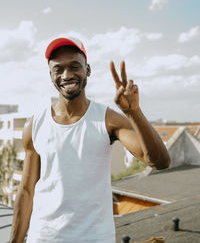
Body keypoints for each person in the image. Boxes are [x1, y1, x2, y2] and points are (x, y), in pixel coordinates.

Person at [10, 37, 170, 243]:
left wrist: (134, 112)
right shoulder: (35, 125)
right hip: (43, 237)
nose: (67, 75)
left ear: (88, 70)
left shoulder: (107, 120)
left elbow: (159, 162)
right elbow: (26, 190)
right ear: (51, 75)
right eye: (58, 69)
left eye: (74, 66)